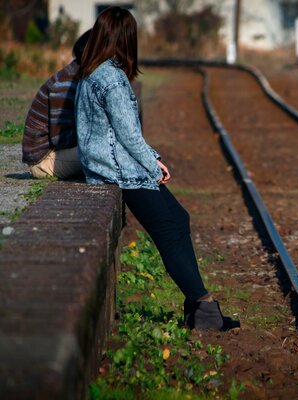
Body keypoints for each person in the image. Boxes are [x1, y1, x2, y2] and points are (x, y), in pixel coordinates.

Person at [75, 6, 239, 331]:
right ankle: (204, 309)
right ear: (126, 39)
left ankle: (196, 306)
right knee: (166, 229)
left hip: (112, 163)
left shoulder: (93, 70)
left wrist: (152, 158)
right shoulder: (111, 77)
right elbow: (127, 133)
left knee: (179, 218)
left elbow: (123, 132)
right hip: (119, 169)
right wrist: (153, 163)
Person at [22, 30, 91, 179]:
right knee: (103, 150)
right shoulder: (67, 83)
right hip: (43, 160)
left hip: (54, 154)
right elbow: (60, 138)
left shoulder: (75, 75)